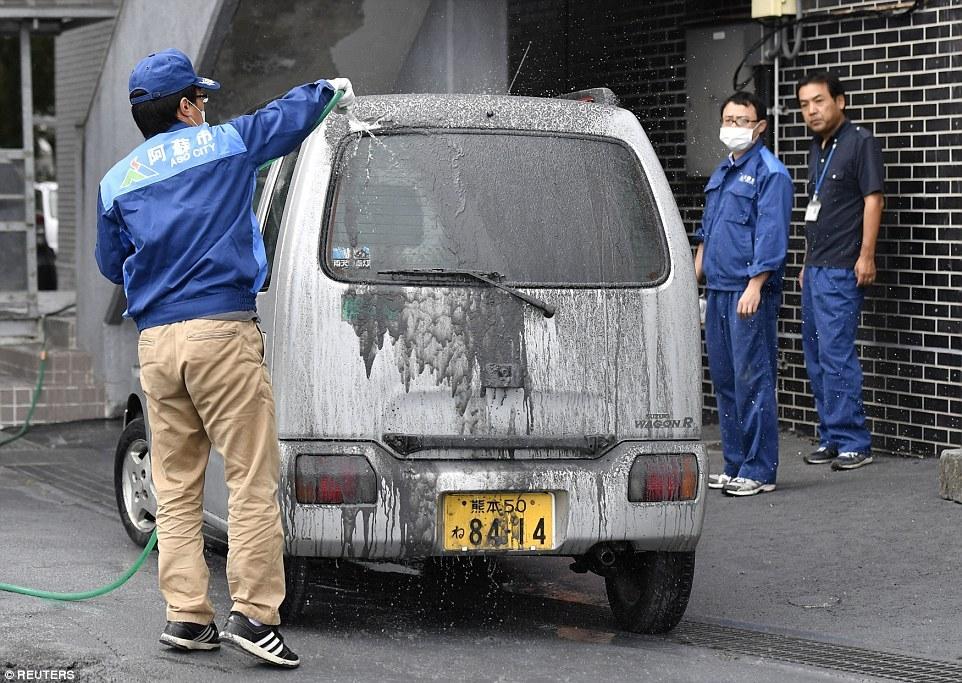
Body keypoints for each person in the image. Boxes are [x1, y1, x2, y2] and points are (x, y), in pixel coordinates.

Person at [95, 48, 355, 668]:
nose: (207, 107)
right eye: (200, 98)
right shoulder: (225, 144)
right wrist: (331, 88)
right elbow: (283, 120)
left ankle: (186, 616)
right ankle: (255, 614)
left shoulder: (116, 180)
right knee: (250, 479)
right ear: (185, 106)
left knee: (176, 487)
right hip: (221, 335)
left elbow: (111, 265)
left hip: (158, 346)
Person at [694, 91, 793, 497]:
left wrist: (756, 285)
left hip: (747, 291)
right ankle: (735, 464)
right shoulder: (723, 171)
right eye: (729, 120)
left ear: (760, 126)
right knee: (725, 380)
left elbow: (771, 234)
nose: (734, 127)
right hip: (718, 290)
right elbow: (707, 233)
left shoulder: (771, 173)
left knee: (752, 379)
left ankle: (759, 469)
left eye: (743, 120)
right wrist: (692, 279)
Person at [796, 72, 883, 471]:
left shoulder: (859, 142)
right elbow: (818, 210)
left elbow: (873, 200)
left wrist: (866, 255)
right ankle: (831, 436)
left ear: (840, 102)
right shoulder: (819, 146)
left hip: (841, 269)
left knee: (836, 355)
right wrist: (804, 261)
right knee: (815, 355)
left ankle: (854, 442)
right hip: (815, 268)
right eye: (804, 104)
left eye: (818, 101)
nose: (811, 110)